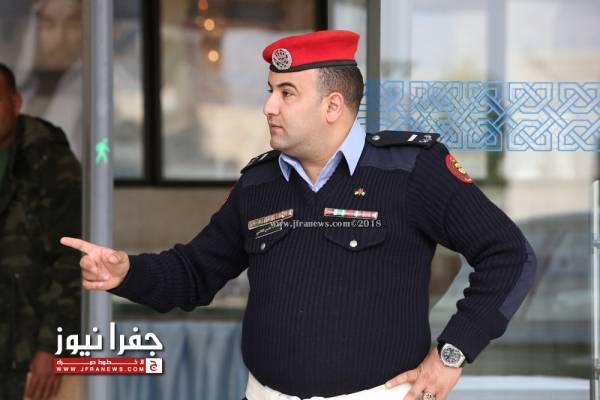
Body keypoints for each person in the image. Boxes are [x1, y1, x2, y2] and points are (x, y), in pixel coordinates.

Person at [60, 30, 537, 400]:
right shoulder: (259, 184)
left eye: (287, 93)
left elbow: (509, 255)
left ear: (333, 105)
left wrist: (451, 354)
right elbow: (194, 273)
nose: (268, 107)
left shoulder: (410, 169)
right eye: (270, 91)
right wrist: (127, 271)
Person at [0, 62, 81, 400]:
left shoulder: (48, 160)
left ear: (15, 102)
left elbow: (71, 258)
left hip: (27, 352)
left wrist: (53, 345)